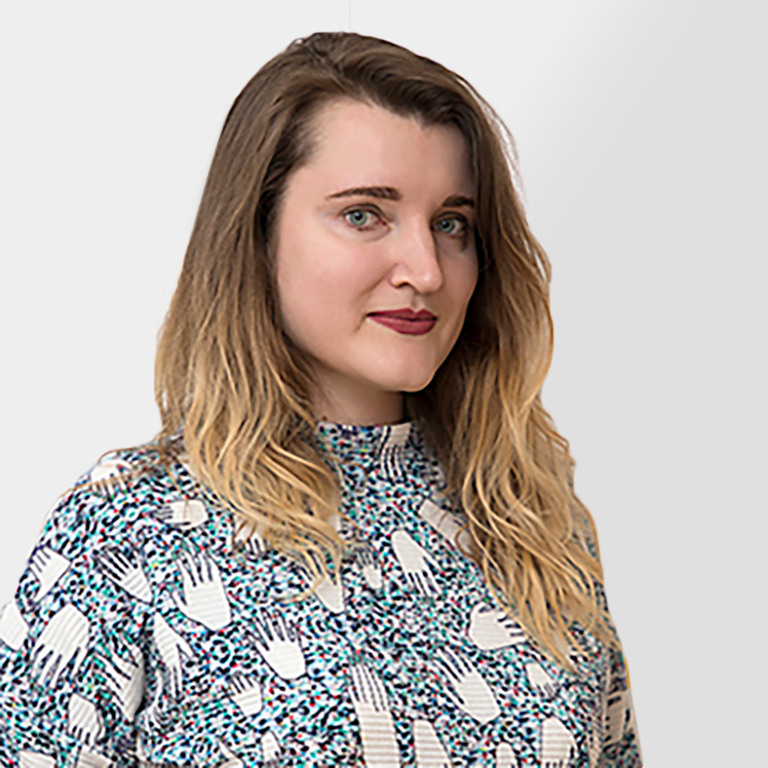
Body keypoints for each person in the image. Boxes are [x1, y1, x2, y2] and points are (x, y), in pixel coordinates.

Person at [0, 31, 642, 767]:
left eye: (451, 223)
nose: (426, 270)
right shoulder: (132, 530)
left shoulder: (533, 520)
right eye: (365, 214)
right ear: (258, 232)